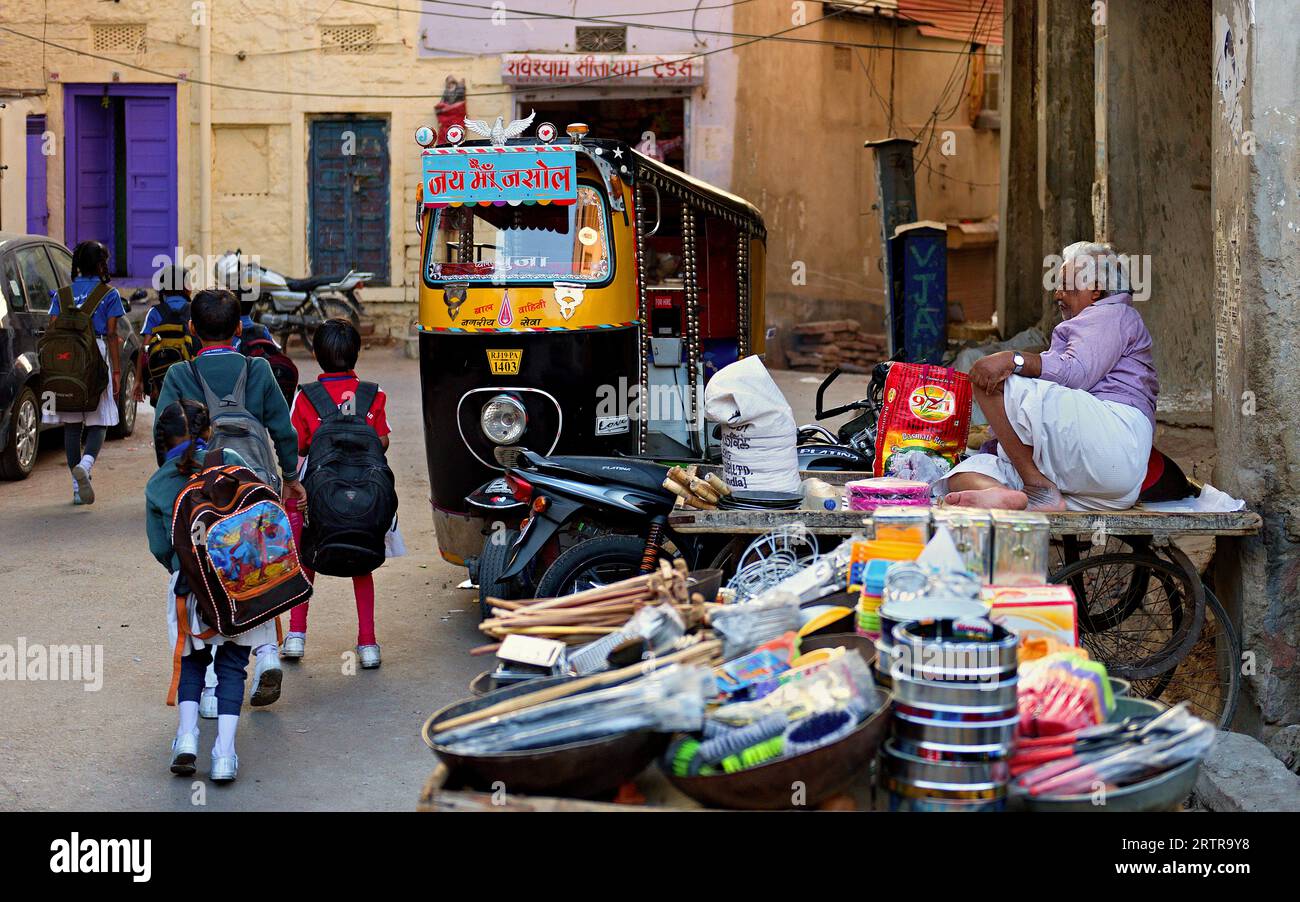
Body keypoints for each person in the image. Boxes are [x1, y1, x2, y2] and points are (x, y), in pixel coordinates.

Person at [156, 289, 305, 708]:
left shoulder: (179, 376)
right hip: (254, 487)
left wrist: (171, 483)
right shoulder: (258, 370)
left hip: (201, 494)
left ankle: (205, 688)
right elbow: (283, 430)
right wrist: (290, 477)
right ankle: (268, 654)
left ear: (191, 330)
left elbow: (164, 434)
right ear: (239, 329)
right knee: (257, 565)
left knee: (207, 575)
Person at [939, 242, 1159, 511]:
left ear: (1095, 290)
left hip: (1114, 441)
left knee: (992, 379)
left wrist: (1014, 359)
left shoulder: (1113, 313)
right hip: (1096, 467)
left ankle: (1036, 485)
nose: (1058, 295)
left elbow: (1074, 373)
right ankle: (1009, 492)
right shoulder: (1091, 321)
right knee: (962, 476)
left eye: (1066, 286)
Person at [146, 399, 269, 783]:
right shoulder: (231, 460)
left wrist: (185, 568)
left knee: (193, 663)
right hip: (236, 585)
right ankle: (224, 755)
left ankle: (186, 739)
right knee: (233, 666)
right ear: (207, 433)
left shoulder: (159, 483)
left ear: (164, 441)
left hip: (190, 589)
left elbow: (160, 547)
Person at [283, 317, 391, 669]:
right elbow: (383, 440)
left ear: (315, 355)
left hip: (313, 496)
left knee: (305, 561)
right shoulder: (373, 394)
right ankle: (368, 644)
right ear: (357, 354)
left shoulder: (306, 397)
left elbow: (297, 443)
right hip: (363, 496)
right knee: (363, 564)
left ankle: (296, 637)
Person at [44, 241, 124, 505]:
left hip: (66, 362)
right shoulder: (108, 294)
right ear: (101, 264)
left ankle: (77, 488)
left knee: (71, 424)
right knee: (99, 420)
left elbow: (52, 329)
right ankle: (86, 465)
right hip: (96, 355)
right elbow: (112, 334)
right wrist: (117, 372)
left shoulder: (61, 294)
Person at [135, 264, 197, 406]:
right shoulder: (194, 310)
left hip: (160, 381)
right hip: (190, 379)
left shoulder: (155, 312)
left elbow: (144, 348)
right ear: (186, 286)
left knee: (163, 419)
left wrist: (139, 381)